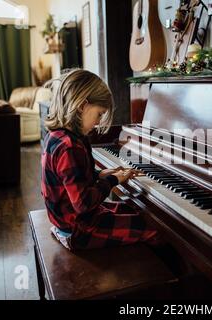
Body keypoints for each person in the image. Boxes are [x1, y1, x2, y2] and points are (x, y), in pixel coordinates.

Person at [41, 68, 159, 250]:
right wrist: (113, 180)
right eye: (99, 114)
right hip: (78, 230)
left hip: (68, 222)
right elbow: (83, 204)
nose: (98, 122)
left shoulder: (58, 136)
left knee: (132, 211)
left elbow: (72, 179)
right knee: (151, 228)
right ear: (82, 106)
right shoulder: (69, 146)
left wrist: (100, 174)